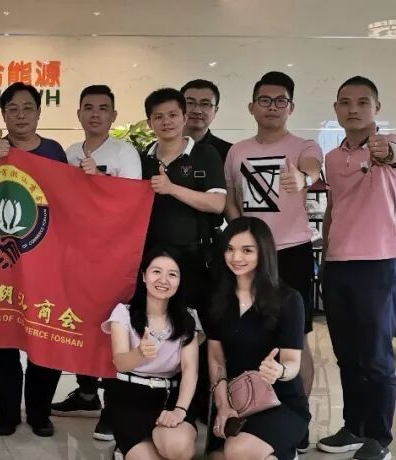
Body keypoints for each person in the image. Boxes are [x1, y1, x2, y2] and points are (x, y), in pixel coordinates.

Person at [224, 71, 323, 452]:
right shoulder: (238, 151)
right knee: (251, 334)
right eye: (264, 100)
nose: (272, 107)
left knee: (298, 339)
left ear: (291, 107)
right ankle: (251, 408)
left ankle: (298, 422)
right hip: (251, 255)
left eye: (280, 100)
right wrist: (242, 237)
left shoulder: (303, 145)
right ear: (252, 107)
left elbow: (313, 165)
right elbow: (232, 199)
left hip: (291, 251)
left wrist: (303, 177)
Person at [316, 76, 396, 460]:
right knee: (347, 355)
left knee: (377, 358)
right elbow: (334, 208)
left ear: (376, 108)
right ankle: (353, 428)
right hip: (338, 265)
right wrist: (326, 253)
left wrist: (382, 149)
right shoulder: (332, 158)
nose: (353, 109)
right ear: (336, 108)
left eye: (363, 102)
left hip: (378, 264)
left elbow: (391, 154)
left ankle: (379, 439)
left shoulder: (391, 143)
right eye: (345, 102)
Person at [0, 82, 68, 437]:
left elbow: (69, 202)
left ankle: (40, 413)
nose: (21, 115)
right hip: (0, 263)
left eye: (28, 108)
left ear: (39, 112)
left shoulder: (54, 151)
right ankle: (8, 412)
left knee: (46, 336)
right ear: (3, 114)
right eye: (12, 109)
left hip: (45, 260)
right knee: (2, 339)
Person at [53, 84, 142, 442]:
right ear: (78, 113)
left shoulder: (125, 153)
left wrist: (100, 180)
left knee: (112, 328)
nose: (95, 114)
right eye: (88, 107)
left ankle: (113, 408)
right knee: (81, 325)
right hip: (77, 255)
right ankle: (87, 393)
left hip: (113, 256)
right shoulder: (71, 152)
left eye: (103, 108)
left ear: (113, 115)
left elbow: (132, 203)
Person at [207, 217, 309, 460]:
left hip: (279, 401)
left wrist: (279, 371)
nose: (236, 257)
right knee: (219, 456)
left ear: (263, 253)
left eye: (247, 250)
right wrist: (222, 406)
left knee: (237, 451)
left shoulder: (289, 299)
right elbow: (215, 358)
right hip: (237, 400)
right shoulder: (217, 298)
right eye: (230, 249)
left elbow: (293, 362)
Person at [104, 247, 199, 460]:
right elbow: (120, 363)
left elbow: (190, 370)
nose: (163, 280)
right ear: (144, 276)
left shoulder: (188, 319)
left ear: (180, 281)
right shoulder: (123, 313)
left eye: (172, 274)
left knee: (176, 448)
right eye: (156, 271)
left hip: (171, 397)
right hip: (130, 397)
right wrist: (139, 353)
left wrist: (180, 410)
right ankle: (123, 448)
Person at [141, 88, 226, 316]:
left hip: (196, 257)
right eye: (158, 117)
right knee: (157, 320)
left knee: (195, 323)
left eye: (173, 115)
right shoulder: (142, 159)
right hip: (153, 258)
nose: (166, 122)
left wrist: (171, 188)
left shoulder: (205, 154)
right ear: (149, 123)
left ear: (184, 118)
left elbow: (217, 203)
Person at [182, 79, 233, 163]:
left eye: (205, 104)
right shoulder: (162, 148)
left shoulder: (230, 152)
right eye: (190, 103)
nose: (197, 111)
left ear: (215, 110)